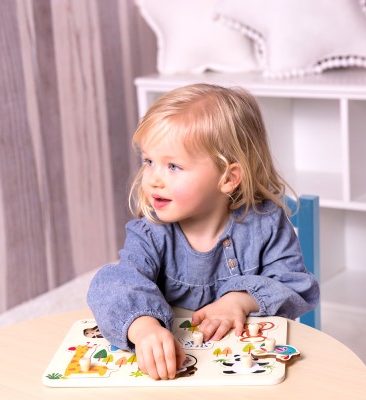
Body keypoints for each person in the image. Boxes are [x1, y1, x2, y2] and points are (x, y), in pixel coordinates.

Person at [87, 83, 319, 381]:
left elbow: (296, 285)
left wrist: (240, 299)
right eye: (149, 162)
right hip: (177, 372)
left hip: (246, 370)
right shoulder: (151, 233)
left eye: (173, 166)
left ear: (228, 177)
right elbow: (115, 283)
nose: (153, 179)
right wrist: (144, 327)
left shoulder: (266, 223)